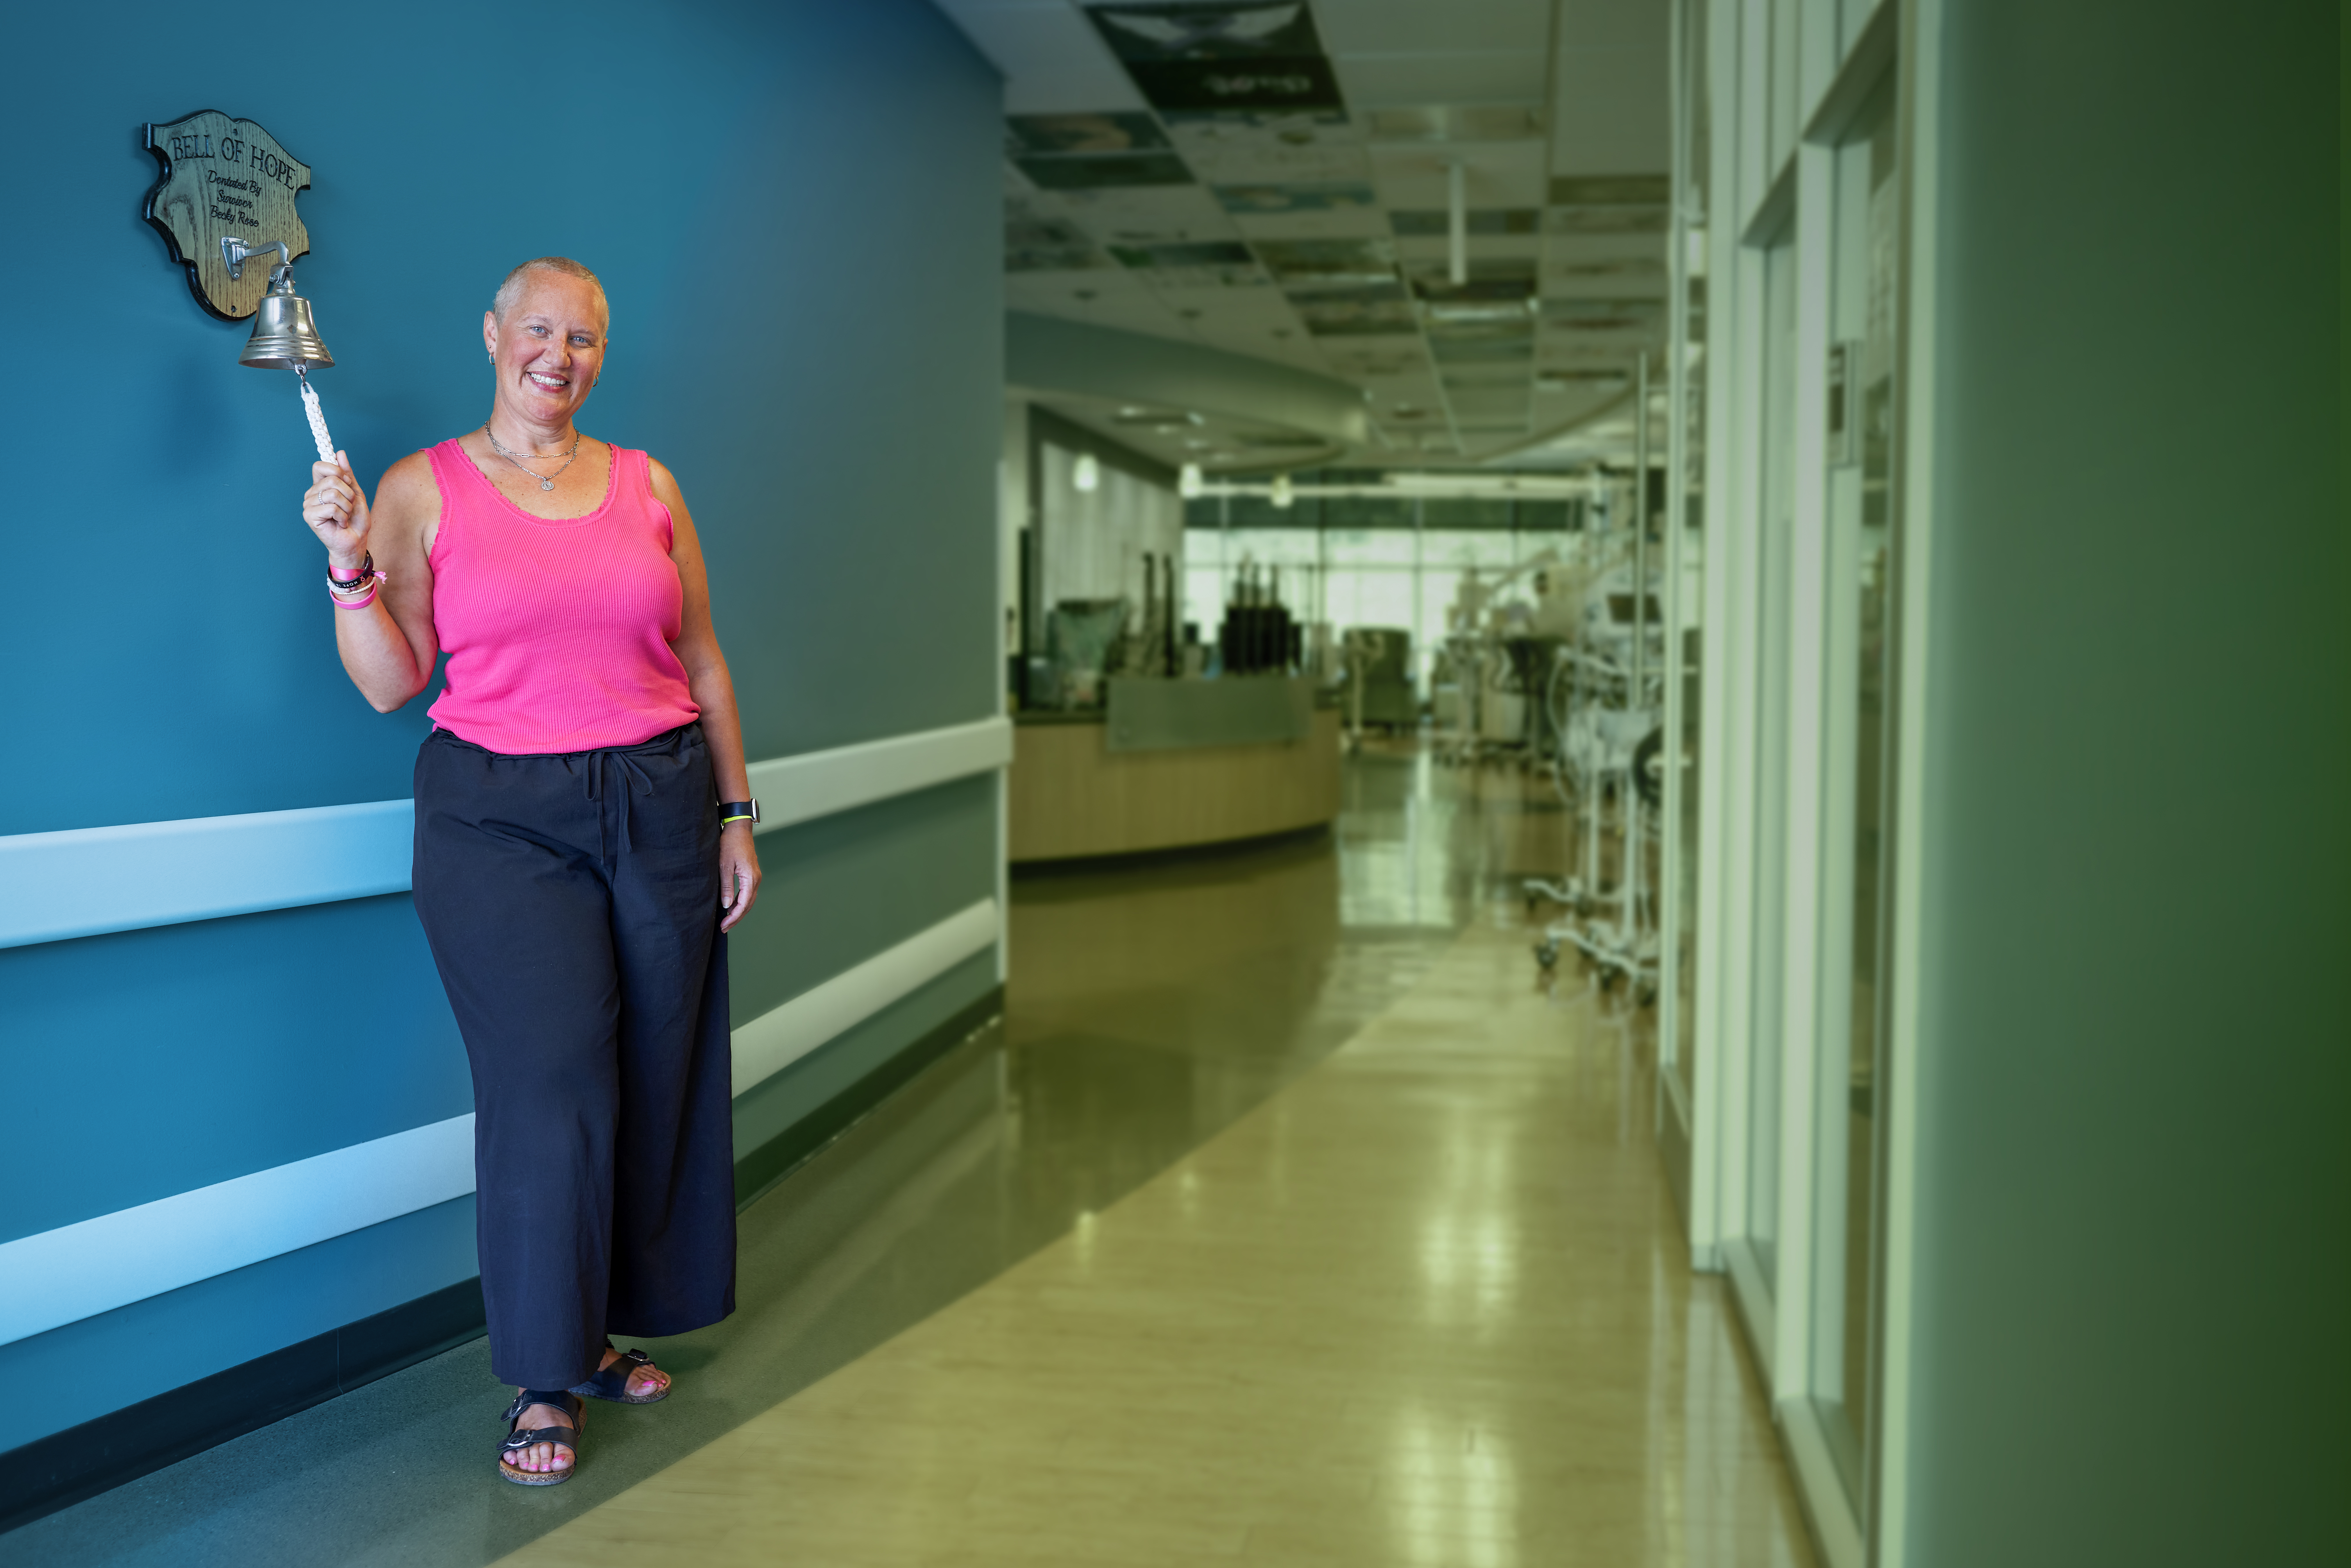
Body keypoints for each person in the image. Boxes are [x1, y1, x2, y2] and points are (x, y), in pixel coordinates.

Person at [298, 256, 760, 1485]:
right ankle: (543, 1375)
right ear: (495, 335)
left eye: (586, 339)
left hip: (661, 798)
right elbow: (394, 678)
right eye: (541, 330)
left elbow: (703, 659)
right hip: (501, 817)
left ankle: (600, 1334)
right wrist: (348, 560)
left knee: (656, 1069)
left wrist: (734, 809)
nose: (561, 354)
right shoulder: (421, 488)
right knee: (549, 1078)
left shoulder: (649, 483)